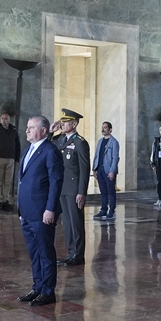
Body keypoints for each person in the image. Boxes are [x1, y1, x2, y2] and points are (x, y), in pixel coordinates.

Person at [16, 115, 64, 307]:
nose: (26, 130)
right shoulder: (29, 149)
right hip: (27, 211)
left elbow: (55, 182)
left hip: (42, 212)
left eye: (31, 127)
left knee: (45, 252)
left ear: (43, 131)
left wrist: (50, 209)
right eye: (27, 127)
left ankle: (48, 291)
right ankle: (37, 287)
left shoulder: (50, 151)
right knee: (34, 253)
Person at [53, 109, 90, 265]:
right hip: (62, 187)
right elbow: (46, 145)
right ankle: (70, 252)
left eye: (65, 122)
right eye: (62, 121)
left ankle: (78, 255)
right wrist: (50, 132)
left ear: (74, 124)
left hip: (74, 189)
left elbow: (84, 169)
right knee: (67, 223)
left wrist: (82, 192)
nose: (62, 124)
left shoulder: (80, 143)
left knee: (75, 223)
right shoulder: (60, 140)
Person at [0, 112, 22, 212]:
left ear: (9, 120)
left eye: (6, 119)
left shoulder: (14, 133)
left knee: (8, 182)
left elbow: (18, 146)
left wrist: (16, 159)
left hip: (10, 159)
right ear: (0, 120)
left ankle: (6, 200)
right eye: (2, 118)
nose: (4, 120)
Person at [92, 120, 119, 221]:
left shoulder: (114, 142)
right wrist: (94, 168)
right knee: (103, 191)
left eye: (105, 127)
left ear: (110, 129)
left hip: (108, 170)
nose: (103, 129)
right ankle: (103, 210)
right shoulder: (100, 141)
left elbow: (115, 158)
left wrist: (112, 171)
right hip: (100, 169)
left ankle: (111, 211)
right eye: (102, 127)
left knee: (110, 191)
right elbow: (96, 155)